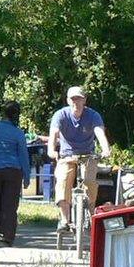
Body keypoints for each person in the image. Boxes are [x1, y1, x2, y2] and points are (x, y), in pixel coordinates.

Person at [48, 86, 111, 231]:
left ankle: (90, 212)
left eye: (79, 98)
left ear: (85, 100)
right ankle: (65, 219)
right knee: (63, 180)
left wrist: (106, 149)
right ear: (68, 101)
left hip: (88, 155)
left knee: (90, 181)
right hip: (67, 155)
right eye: (73, 98)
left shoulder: (93, 115)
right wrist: (51, 151)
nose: (76, 101)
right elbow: (54, 133)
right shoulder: (60, 115)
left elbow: (99, 132)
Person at [0, 101, 30, 246]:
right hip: (13, 171)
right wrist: (26, 176)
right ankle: (5, 237)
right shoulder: (18, 133)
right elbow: (23, 155)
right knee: (9, 204)